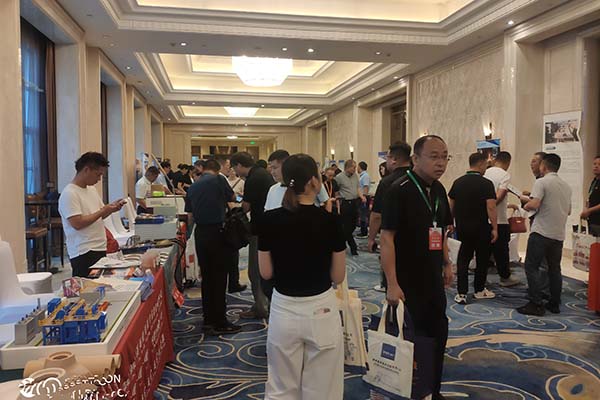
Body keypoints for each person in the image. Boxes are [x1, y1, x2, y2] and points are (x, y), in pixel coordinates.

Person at [258, 154, 346, 400]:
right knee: (323, 387)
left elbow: (266, 272)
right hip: (321, 308)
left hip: (283, 308)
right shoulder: (330, 221)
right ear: (313, 182)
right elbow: (338, 276)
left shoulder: (269, 220)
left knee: (281, 386)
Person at [381, 135, 454, 400]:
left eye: (444, 156)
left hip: (432, 277)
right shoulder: (398, 189)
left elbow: (441, 230)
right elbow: (387, 238)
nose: (440, 163)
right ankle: (410, 390)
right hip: (405, 281)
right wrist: (392, 283)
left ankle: (433, 390)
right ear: (415, 159)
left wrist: (446, 262)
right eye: (434, 156)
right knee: (410, 338)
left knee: (438, 333)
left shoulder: (439, 190)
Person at [185, 159, 241, 334]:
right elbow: (233, 198)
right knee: (219, 278)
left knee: (207, 278)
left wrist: (188, 237)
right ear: (217, 169)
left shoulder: (193, 186)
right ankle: (220, 322)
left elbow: (190, 216)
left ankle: (208, 319)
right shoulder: (219, 180)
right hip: (217, 232)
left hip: (201, 234)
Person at [518, 153, 571, 316]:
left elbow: (534, 204)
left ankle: (536, 303)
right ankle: (554, 303)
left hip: (541, 232)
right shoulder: (566, 186)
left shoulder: (541, 182)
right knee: (554, 269)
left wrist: (524, 203)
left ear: (544, 166)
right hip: (558, 234)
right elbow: (568, 211)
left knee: (531, 266)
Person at [58, 152, 125, 277]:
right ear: (86, 170)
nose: (99, 179)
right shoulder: (69, 193)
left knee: (101, 283)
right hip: (84, 250)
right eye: (98, 174)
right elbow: (77, 223)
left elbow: (99, 215)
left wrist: (111, 209)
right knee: (87, 286)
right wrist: (102, 211)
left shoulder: (91, 190)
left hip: (99, 246)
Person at [449, 153, 498, 304]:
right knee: (482, 259)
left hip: (463, 227)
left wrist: (450, 222)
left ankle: (461, 293)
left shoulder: (458, 182)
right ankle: (479, 290)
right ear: (481, 164)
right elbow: (491, 207)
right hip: (481, 227)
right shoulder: (487, 184)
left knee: (463, 259)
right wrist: (495, 227)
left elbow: (451, 205)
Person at [230, 151, 275, 319]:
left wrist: (235, 207)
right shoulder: (263, 173)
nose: (235, 171)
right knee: (265, 269)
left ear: (239, 165)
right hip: (269, 227)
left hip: (259, 229)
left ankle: (261, 307)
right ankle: (264, 304)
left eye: (234, 167)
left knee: (255, 270)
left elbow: (246, 207)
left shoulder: (252, 178)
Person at [369, 141, 412, 292]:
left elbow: (377, 216)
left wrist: (371, 238)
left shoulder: (386, 182)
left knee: (393, 281)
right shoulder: (419, 179)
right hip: (417, 239)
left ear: (393, 159)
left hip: (392, 238)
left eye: (387, 157)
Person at [483, 151, 520, 287]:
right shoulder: (504, 175)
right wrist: (490, 206)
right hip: (499, 220)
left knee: (483, 250)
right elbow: (499, 196)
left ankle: (481, 278)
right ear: (508, 162)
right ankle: (505, 277)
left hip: (483, 219)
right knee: (502, 250)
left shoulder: (485, 172)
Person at [216, 158, 247, 294]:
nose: (230, 168)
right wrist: (240, 199)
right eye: (228, 166)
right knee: (232, 253)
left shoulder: (215, 179)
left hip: (221, 221)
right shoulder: (221, 179)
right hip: (228, 219)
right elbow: (232, 197)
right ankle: (233, 283)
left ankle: (229, 283)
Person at [265, 150, 330, 210]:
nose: (272, 172)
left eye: (275, 168)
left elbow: (327, 202)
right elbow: (267, 209)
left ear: (286, 166)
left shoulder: (309, 184)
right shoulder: (272, 189)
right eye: (271, 168)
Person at [335, 160, 366, 255]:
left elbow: (358, 188)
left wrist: (362, 196)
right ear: (347, 167)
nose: (355, 169)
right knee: (347, 226)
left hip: (354, 203)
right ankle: (353, 247)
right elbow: (336, 191)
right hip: (345, 203)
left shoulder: (356, 176)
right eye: (353, 167)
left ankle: (340, 242)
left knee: (353, 226)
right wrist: (338, 204)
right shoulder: (339, 177)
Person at [581, 156, 600, 236]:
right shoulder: (594, 181)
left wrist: (589, 211)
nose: (596, 166)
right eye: (594, 164)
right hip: (592, 221)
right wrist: (586, 209)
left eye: (599, 164)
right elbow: (590, 197)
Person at [357, 161, 371, 238]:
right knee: (362, 214)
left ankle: (364, 232)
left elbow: (366, 186)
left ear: (360, 167)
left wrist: (364, 197)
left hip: (364, 197)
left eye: (357, 167)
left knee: (363, 215)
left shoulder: (365, 176)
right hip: (362, 197)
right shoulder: (362, 176)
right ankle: (362, 230)